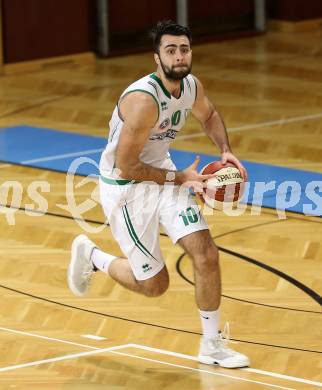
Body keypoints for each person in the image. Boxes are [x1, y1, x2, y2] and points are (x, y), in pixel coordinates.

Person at [67, 20, 249, 368]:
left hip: (164, 175)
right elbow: (126, 167)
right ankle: (93, 257)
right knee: (154, 285)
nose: (179, 56)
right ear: (157, 58)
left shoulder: (191, 86)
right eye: (171, 50)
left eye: (184, 49)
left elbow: (208, 115)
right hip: (126, 190)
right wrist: (181, 178)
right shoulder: (142, 101)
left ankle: (212, 345)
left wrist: (225, 150)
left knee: (207, 255)